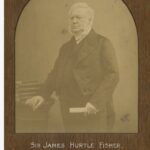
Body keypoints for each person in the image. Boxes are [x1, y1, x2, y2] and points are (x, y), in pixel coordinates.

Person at [26, 2, 119, 132]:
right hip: (69, 110)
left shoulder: (103, 44)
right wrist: (42, 95)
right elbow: (55, 74)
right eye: (72, 18)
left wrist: (95, 103)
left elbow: (112, 75)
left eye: (78, 18)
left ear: (90, 20)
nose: (74, 21)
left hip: (92, 110)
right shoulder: (65, 48)